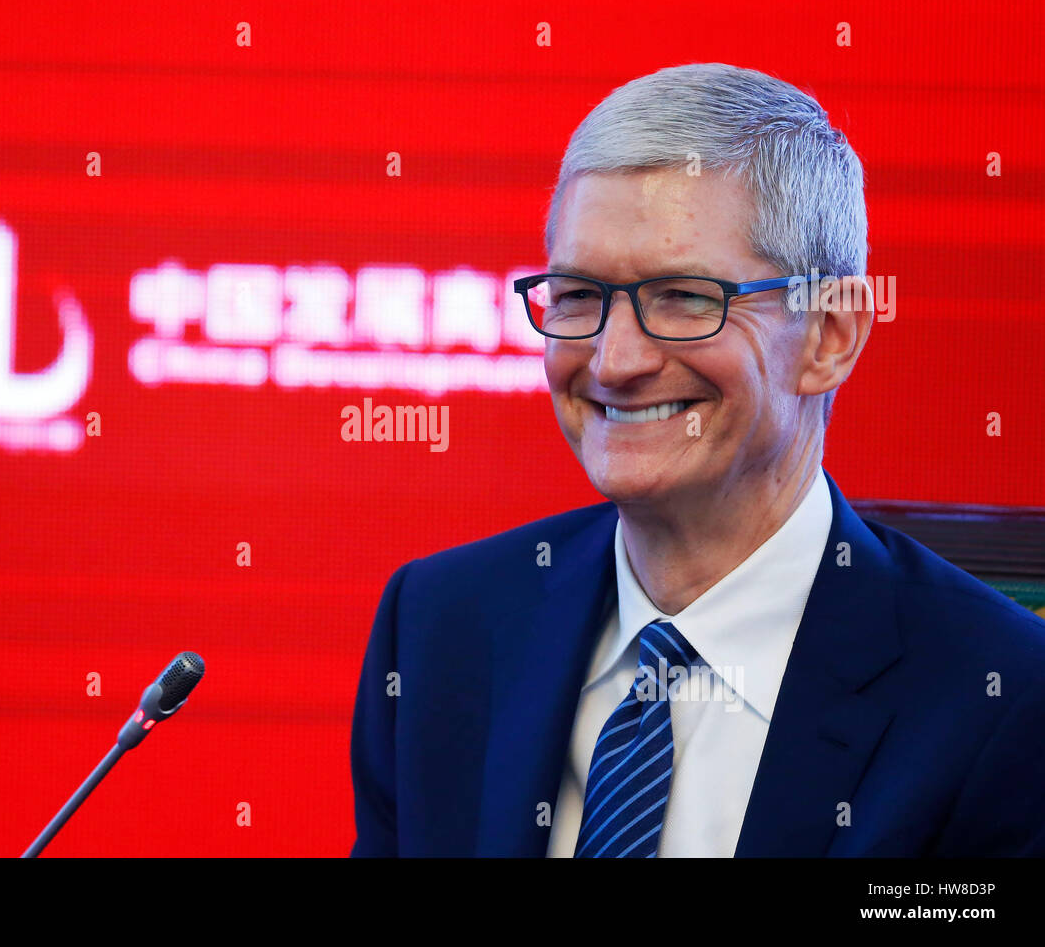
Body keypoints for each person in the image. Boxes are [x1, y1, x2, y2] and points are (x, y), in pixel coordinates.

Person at [349, 62, 1045, 857]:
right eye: (578, 296)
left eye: (682, 297)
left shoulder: (1001, 698)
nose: (612, 362)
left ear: (831, 336)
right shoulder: (441, 627)